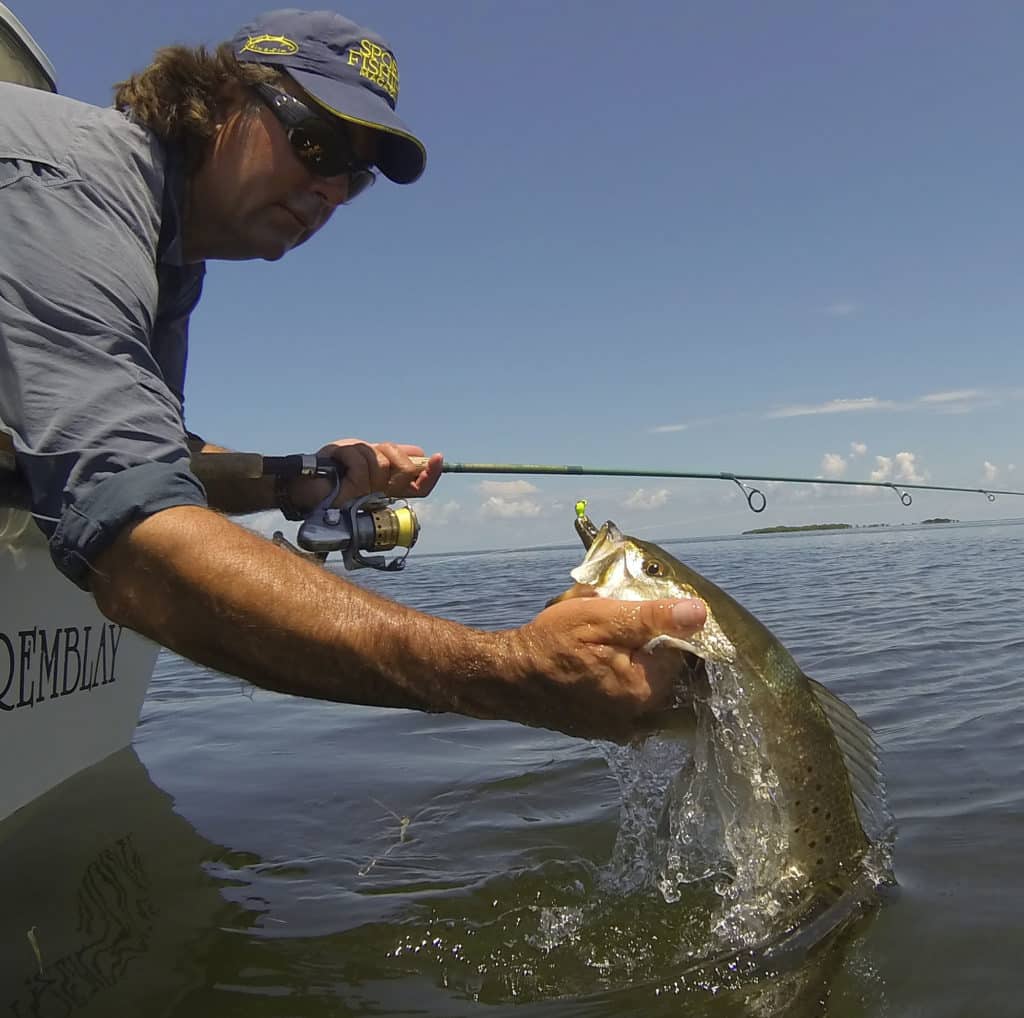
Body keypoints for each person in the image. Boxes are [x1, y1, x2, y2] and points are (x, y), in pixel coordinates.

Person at [0, 8, 706, 742]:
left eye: (353, 178)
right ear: (220, 97)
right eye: (316, 143)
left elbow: (150, 461)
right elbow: (134, 531)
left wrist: (298, 479)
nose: (331, 193)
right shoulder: (69, 184)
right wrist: (507, 672)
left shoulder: (169, 260)